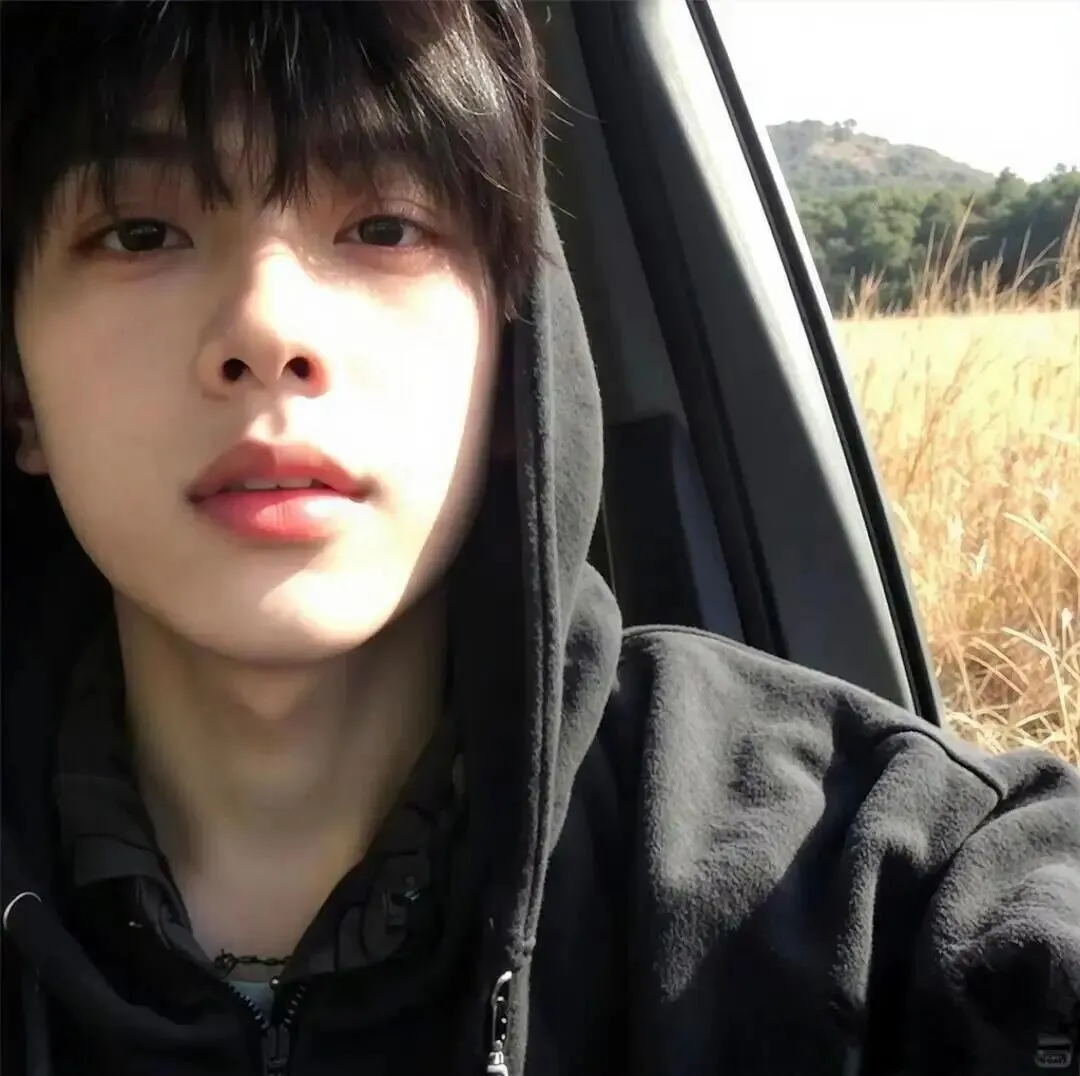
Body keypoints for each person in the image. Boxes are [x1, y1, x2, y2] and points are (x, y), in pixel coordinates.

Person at [1, 2, 1077, 1074]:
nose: (266, 327)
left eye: (386, 227)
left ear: (516, 353)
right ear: (17, 391)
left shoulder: (836, 864)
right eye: (139, 233)